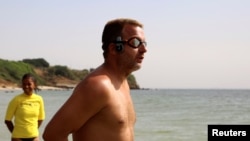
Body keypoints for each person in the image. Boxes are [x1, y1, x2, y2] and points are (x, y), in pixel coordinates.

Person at [42, 18, 147, 141]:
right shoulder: (97, 85)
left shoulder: (123, 83)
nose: (144, 49)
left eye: (144, 43)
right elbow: (53, 134)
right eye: (135, 42)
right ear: (114, 48)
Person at [4, 73, 45, 141]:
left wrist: (33, 130)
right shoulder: (16, 100)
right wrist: (15, 133)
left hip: (34, 137)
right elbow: (7, 120)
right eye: (24, 84)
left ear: (34, 85)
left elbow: (41, 118)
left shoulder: (39, 99)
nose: (26, 86)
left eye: (29, 84)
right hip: (18, 138)